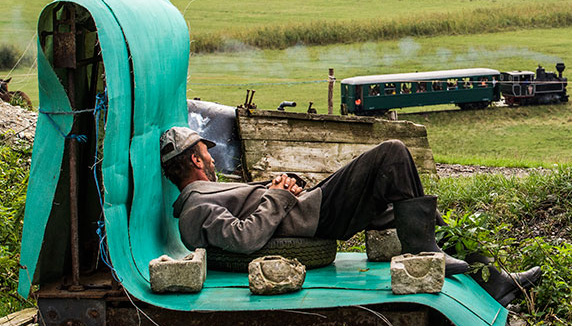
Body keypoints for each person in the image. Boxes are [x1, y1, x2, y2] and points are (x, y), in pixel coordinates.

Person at [160, 126, 540, 305]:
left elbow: (257, 209)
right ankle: (424, 251)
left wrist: (284, 185)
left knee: (414, 205)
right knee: (392, 152)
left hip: (307, 207)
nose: (212, 157)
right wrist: (277, 195)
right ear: (195, 159)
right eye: (206, 153)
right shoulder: (193, 208)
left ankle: (494, 279)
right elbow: (245, 238)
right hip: (314, 218)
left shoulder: (210, 191)